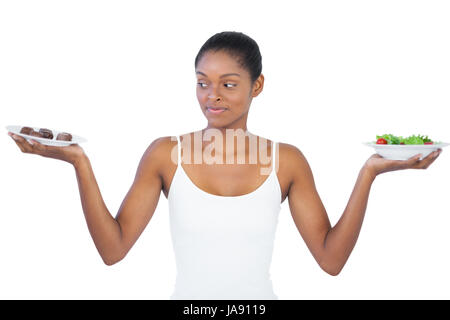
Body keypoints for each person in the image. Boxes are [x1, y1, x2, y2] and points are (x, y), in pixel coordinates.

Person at [8, 31, 442, 300]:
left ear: (257, 86)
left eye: (228, 84)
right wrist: (79, 163)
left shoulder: (286, 160)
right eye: (202, 82)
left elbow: (331, 261)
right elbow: (113, 250)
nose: (211, 96)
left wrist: (368, 172)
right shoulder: (165, 153)